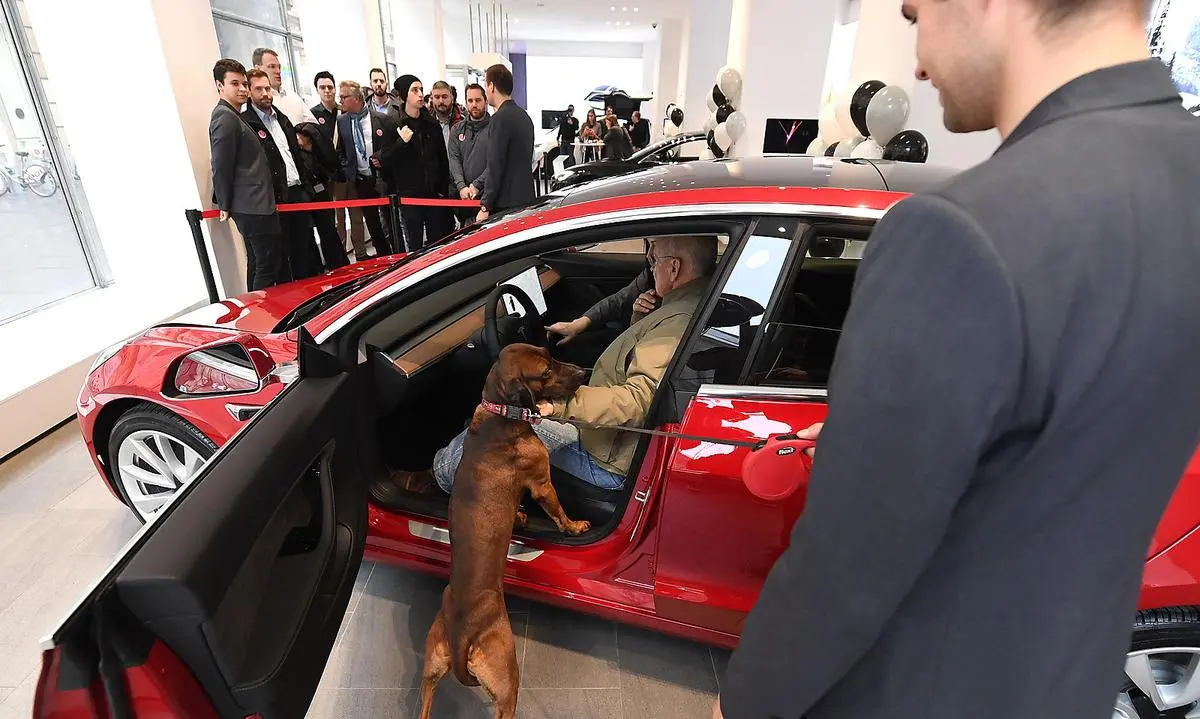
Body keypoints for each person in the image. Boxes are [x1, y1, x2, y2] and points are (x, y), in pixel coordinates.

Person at [715, 0, 1200, 717]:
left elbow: (847, 567)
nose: (915, 67)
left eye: (915, 16)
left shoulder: (957, 231)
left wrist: (745, 703)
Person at [384, 235, 717, 499]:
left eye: (654, 260)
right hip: (610, 438)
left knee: (497, 422)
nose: (650, 266)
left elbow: (637, 401)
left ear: (674, 268)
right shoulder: (683, 305)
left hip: (607, 458)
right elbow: (638, 363)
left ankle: (434, 480)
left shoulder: (675, 323)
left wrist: (558, 407)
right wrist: (639, 318)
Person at [208, 58, 284, 291]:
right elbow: (221, 164)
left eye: (243, 84)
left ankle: (254, 307)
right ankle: (260, 309)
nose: (242, 89)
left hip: (255, 204)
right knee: (266, 265)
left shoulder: (233, 115)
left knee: (259, 262)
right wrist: (224, 203)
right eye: (235, 84)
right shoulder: (225, 117)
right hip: (252, 206)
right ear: (220, 86)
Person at [242, 69, 321, 281]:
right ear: (249, 91)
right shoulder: (247, 124)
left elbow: (295, 154)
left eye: (267, 88)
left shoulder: (282, 119)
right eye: (258, 89)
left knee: (303, 250)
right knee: (279, 258)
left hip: (297, 193)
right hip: (275, 199)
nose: (265, 94)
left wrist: (306, 188)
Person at [385, 74, 453, 250]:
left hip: (433, 193)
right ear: (404, 95)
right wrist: (401, 143)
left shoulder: (431, 124)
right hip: (409, 195)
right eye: (414, 90)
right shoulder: (394, 124)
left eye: (421, 89)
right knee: (414, 243)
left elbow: (442, 160)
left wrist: (442, 190)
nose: (420, 94)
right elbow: (385, 160)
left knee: (437, 242)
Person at [335, 79, 396, 256]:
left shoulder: (381, 119)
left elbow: (394, 146)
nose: (340, 100)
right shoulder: (342, 121)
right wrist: (348, 169)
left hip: (381, 178)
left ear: (356, 98)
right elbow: (340, 150)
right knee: (372, 223)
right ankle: (383, 256)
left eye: (344, 97)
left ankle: (397, 253)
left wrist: (383, 158)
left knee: (389, 221)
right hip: (360, 180)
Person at [312, 71, 366, 261]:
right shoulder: (313, 114)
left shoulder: (344, 111)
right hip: (331, 177)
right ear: (317, 90)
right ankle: (340, 257)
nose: (327, 91)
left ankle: (361, 253)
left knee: (357, 217)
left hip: (350, 174)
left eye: (330, 87)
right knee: (338, 220)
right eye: (323, 87)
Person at [477, 64, 535, 223]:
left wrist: (485, 205)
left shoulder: (499, 119)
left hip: (505, 204)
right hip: (525, 198)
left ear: (491, 86)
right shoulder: (524, 117)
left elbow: (495, 164)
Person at [294, 121, 350, 271]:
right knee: (311, 234)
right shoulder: (298, 154)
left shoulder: (319, 151)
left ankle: (337, 263)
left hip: (321, 193)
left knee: (328, 230)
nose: (297, 140)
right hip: (307, 195)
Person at [447, 83, 491, 226]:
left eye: (478, 100)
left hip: (488, 198)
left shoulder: (495, 128)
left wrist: (477, 185)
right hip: (464, 199)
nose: (474, 104)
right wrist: (461, 186)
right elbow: (454, 159)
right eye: (470, 101)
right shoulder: (457, 129)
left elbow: (496, 163)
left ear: (486, 101)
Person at [251, 47, 317, 126]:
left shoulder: (292, 96)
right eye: (272, 66)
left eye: (279, 67)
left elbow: (314, 125)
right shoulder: (257, 101)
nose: (278, 71)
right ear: (258, 69)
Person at [430, 80, 463, 148]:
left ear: (452, 98)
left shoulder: (463, 122)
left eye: (444, 97)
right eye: (437, 97)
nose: (441, 101)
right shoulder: (427, 124)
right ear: (432, 99)